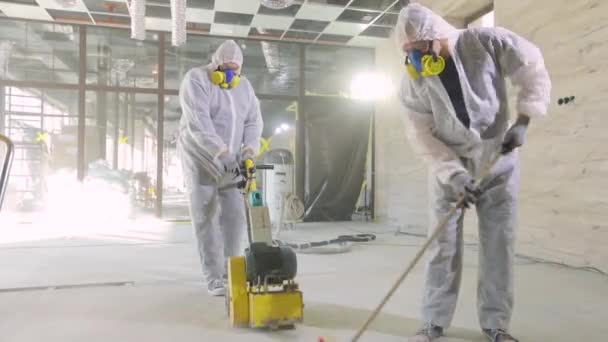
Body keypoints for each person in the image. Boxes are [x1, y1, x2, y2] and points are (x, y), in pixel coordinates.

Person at [395, 4, 550, 342]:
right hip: (449, 164)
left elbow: (532, 68)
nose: (417, 60)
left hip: (498, 156)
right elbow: (421, 135)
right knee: (442, 244)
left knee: (499, 242)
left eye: (420, 49)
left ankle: (496, 324)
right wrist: (454, 175)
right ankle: (433, 320)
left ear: (436, 37)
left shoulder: (486, 42)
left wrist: (523, 119)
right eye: (409, 53)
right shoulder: (413, 84)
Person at [178, 40, 263, 296]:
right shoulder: (196, 80)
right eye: (225, 68)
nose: (229, 76)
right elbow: (199, 124)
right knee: (206, 218)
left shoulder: (244, 87)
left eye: (235, 70)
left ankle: (231, 271)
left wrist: (248, 150)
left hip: (232, 162)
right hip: (200, 159)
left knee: (235, 218)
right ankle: (214, 278)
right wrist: (221, 152)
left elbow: (253, 122)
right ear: (215, 64)